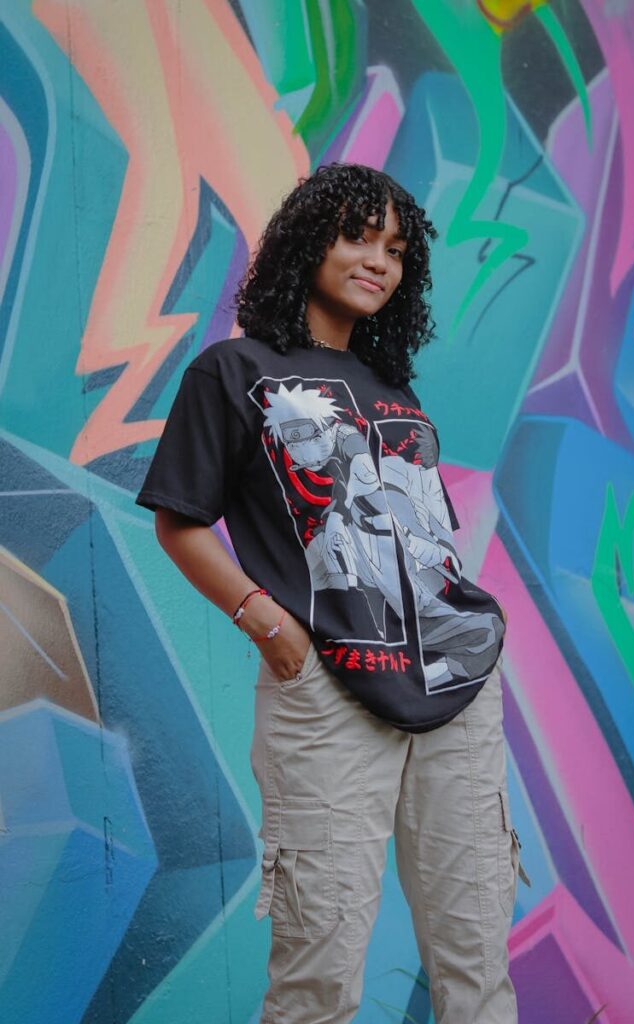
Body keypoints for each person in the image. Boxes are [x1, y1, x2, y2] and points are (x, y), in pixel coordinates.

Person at [136, 163, 526, 1024]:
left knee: (475, 961)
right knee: (319, 971)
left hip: (457, 690)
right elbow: (180, 521)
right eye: (357, 236)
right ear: (308, 241)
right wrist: (267, 623)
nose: (377, 261)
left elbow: (425, 540)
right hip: (330, 695)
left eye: (395, 249)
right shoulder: (233, 371)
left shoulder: (397, 393)